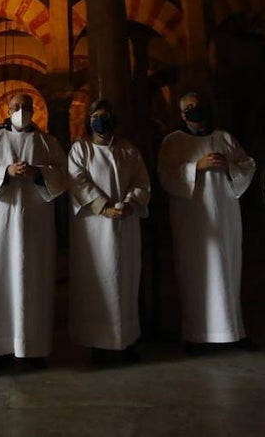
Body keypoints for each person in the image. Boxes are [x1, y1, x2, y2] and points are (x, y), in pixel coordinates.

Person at [0, 93, 67, 370]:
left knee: (34, 278)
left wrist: (38, 174)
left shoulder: (48, 143)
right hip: (1, 222)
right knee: (1, 279)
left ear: (34, 109)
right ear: (7, 110)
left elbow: (63, 173)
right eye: (15, 107)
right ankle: (1, 349)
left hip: (36, 224)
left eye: (25, 107)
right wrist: (5, 171)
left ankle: (33, 349)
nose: (21, 111)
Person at [157, 91, 256, 352]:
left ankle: (232, 332)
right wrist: (195, 167)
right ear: (181, 114)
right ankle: (197, 336)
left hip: (224, 216)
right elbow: (166, 176)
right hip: (193, 220)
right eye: (189, 107)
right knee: (196, 272)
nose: (195, 109)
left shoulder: (223, 138)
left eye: (198, 105)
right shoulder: (173, 141)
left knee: (227, 268)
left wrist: (229, 168)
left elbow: (247, 165)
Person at [67, 99, 151, 366]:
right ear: (89, 120)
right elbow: (77, 180)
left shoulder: (128, 150)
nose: (101, 121)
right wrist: (103, 207)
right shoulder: (81, 149)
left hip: (125, 223)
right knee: (98, 281)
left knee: (124, 280)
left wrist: (129, 203)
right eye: (96, 116)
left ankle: (124, 341)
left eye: (105, 116)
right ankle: (99, 344)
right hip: (95, 228)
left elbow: (141, 181)